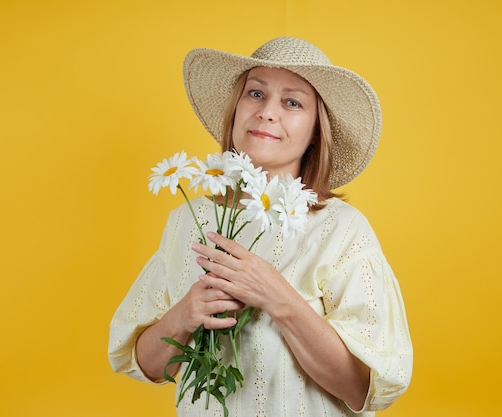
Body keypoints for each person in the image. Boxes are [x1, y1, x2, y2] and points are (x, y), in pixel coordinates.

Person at [108, 36, 413, 416]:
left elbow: (362, 389)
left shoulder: (341, 229)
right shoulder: (188, 221)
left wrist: (277, 297)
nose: (268, 112)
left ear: (317, 130)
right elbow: (147, 366)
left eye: (292, 102)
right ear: (235, 108)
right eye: (255, 93)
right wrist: (184, 315)